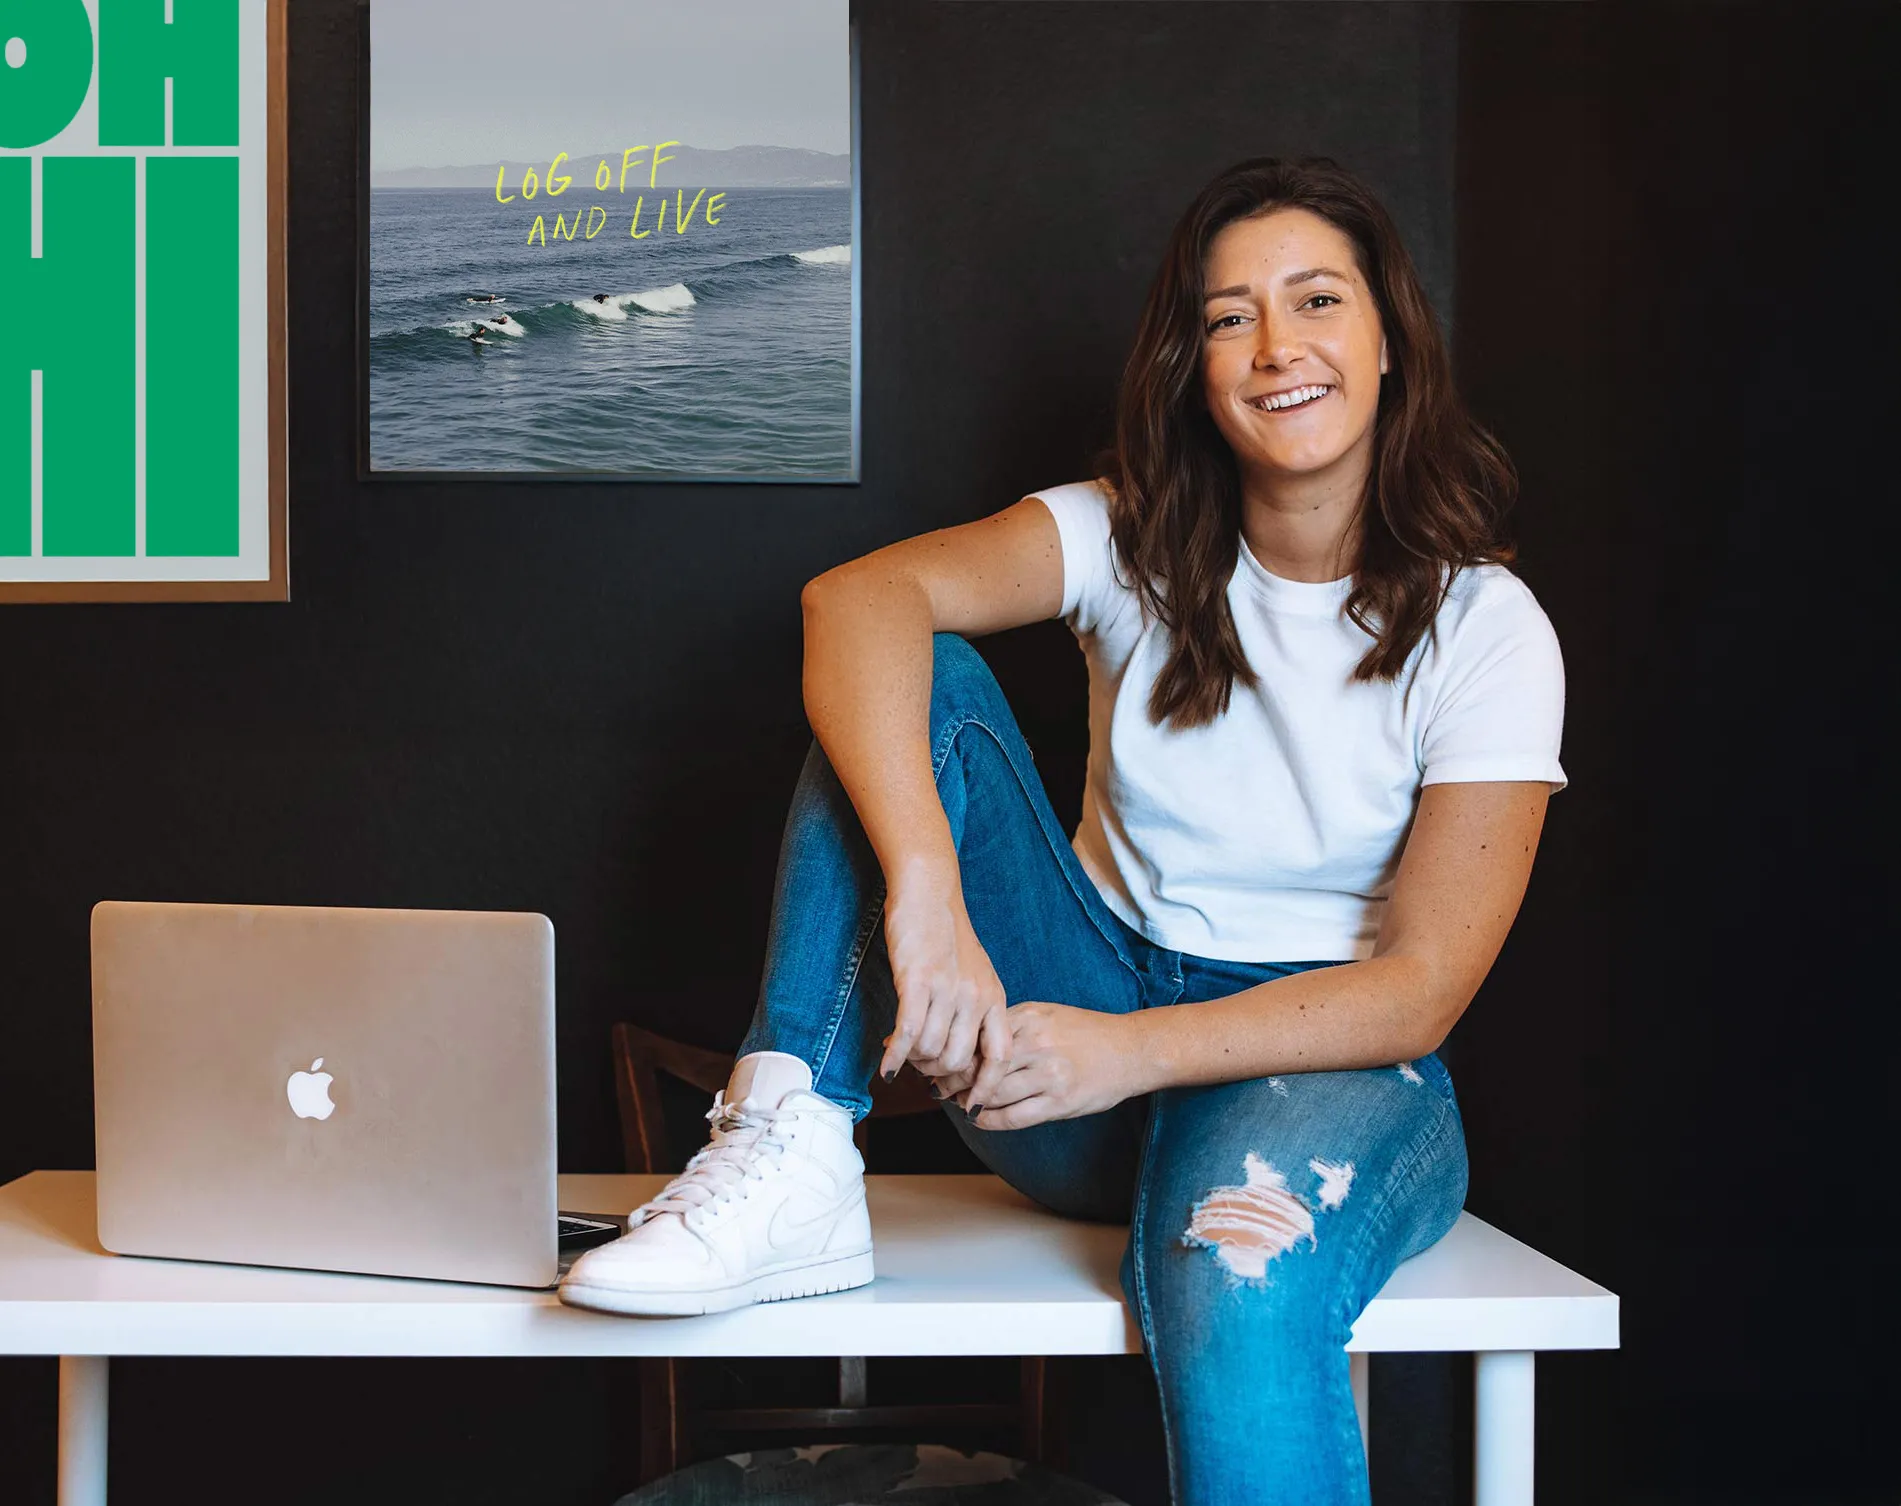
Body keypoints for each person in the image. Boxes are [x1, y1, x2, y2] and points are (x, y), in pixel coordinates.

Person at [560, 156, 1566, 1504]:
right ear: (1197, 370)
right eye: (1230, 317)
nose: (1277, 346)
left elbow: (1420, 989)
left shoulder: (1486, 627)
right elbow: (854, 603)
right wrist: (927, 889)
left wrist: (1128, 1053)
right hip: (1067, 1053)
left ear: (1389, 339)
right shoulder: (1128, 537)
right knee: (924, 676)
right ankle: (793, 1135)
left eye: (1317, 300)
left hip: (1322, 1066)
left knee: (1239, 1275)